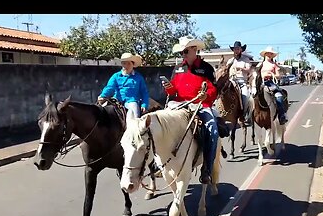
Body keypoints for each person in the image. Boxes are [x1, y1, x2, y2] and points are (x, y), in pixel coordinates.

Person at [162, 36, 225, 184]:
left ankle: (207, 169)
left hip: (201, 105)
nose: (183, 55)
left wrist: (205, 96)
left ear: (194, 50)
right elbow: (172, 92)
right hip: (179, 104)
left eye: (185, 51)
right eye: (181, 52)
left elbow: (214, 90)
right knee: (159, 125)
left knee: (213, 131)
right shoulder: (178, 69)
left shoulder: (207, 68)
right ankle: (159, 164)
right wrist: (168, 89)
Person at [97, 53, 150, 122]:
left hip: (131, 101)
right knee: (103, 112)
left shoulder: (138, 77)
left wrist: (144, 104)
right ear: (122, 64)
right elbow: (110, 87)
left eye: (128, 64)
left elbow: (144, 92)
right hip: (117, 100)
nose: (126, 66)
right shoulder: (116, 76)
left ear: (133, 65)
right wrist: (103, 95)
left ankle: (134, 129)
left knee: (134, 113)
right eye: (124, 63)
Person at [258, 46, 288, 125]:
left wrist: (271, 75)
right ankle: (249, 115)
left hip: (271, 83)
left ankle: (281, 116)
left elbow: (278, 75)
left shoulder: (274, 65)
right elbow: (256, 73)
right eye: (267, 53)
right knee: (251, 96)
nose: (269, 55)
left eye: (271, 53)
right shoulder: (260, 64)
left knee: (279, 96)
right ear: (265, 54)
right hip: (261, 82)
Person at [226, 41, 252, 123]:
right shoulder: (230, 60)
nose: (236, 50)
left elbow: (248, 69)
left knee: (245, 96)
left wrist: (241, 68)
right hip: (232, 81)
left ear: (241, 50)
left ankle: (244, 114)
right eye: (235, 49)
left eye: (238, 49)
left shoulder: (246, 59)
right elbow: (226, 70)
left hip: (242, 81)